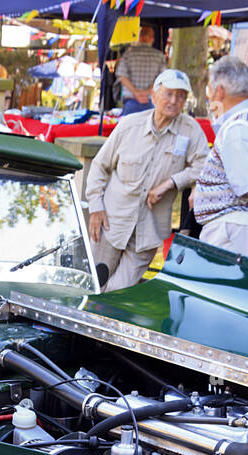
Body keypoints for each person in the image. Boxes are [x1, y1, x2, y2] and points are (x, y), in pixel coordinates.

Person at [84, 69, 208, 291]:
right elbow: (100, 166)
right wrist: (95, 207)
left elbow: (204, 166)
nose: (174, 101)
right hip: (111, 221)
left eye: (180, 96)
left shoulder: (191, 130)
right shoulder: (129, 126)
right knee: (94, 284)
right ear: (154, 95)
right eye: (169, 93)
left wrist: (172, 182)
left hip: (149, 228)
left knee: (118, 292)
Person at [191, 56, 248, 260]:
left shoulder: (238, 128)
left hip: (233, 227)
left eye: (210, 88)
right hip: (236, 225)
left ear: (220, 91)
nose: (209, 95)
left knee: (215, 289)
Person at [114, 25, 166, 116]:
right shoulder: (159, 56)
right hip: (151, 101)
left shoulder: (128, 54)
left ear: (139, 37)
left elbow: (122, 77)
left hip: (131, 100)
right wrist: (146, 92)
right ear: (152, 39)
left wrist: (136, 93)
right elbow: (161, 79)